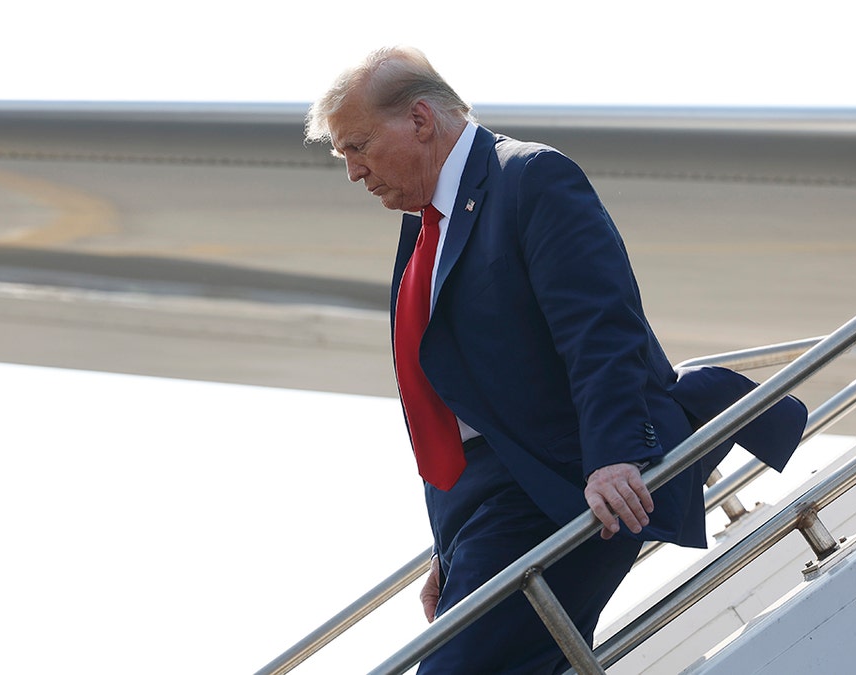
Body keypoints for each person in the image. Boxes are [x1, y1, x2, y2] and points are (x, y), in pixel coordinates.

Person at [305, 46, 807, 673]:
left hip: (562, 486)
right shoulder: (426, 226)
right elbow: (462, 403)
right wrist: (450, 550)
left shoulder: (529, 178)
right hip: (487, 508)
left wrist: (614, 455)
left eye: (357, 146)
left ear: (420, 120)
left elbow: (599, 325)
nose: (353, 171)